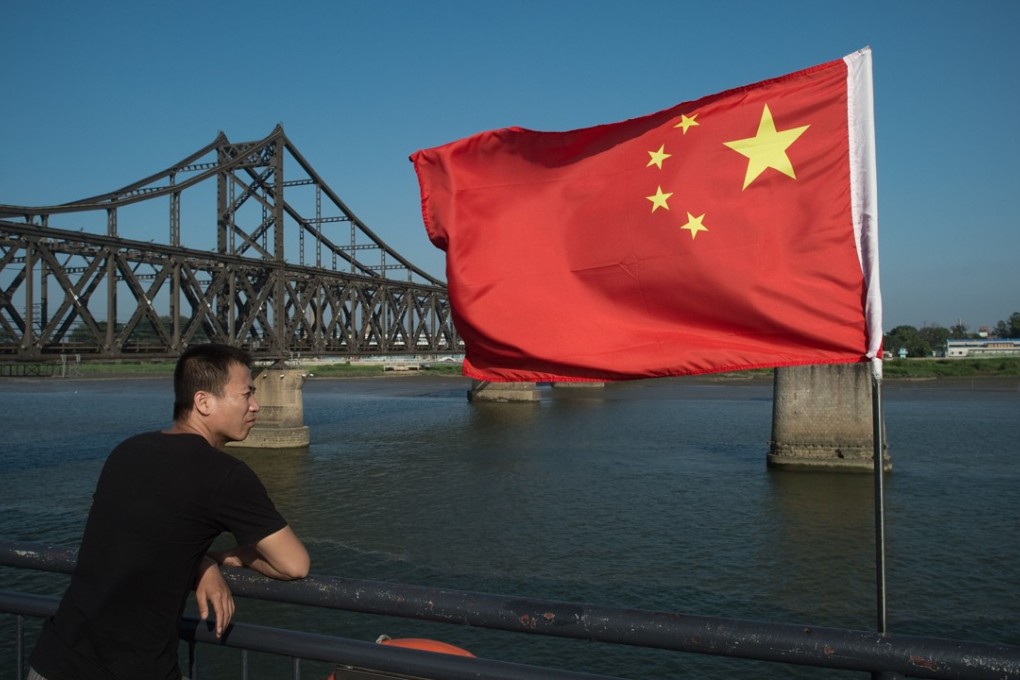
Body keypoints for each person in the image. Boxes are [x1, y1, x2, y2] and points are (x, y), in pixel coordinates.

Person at [29, 343, 310, 680]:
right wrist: (231, 557)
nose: (256, 404)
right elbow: (295, 564)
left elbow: (149, 537)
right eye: (247, 393)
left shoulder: (128, 452)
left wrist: (201, 561)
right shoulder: (225, 475)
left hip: (55, 658)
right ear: (203, 402)